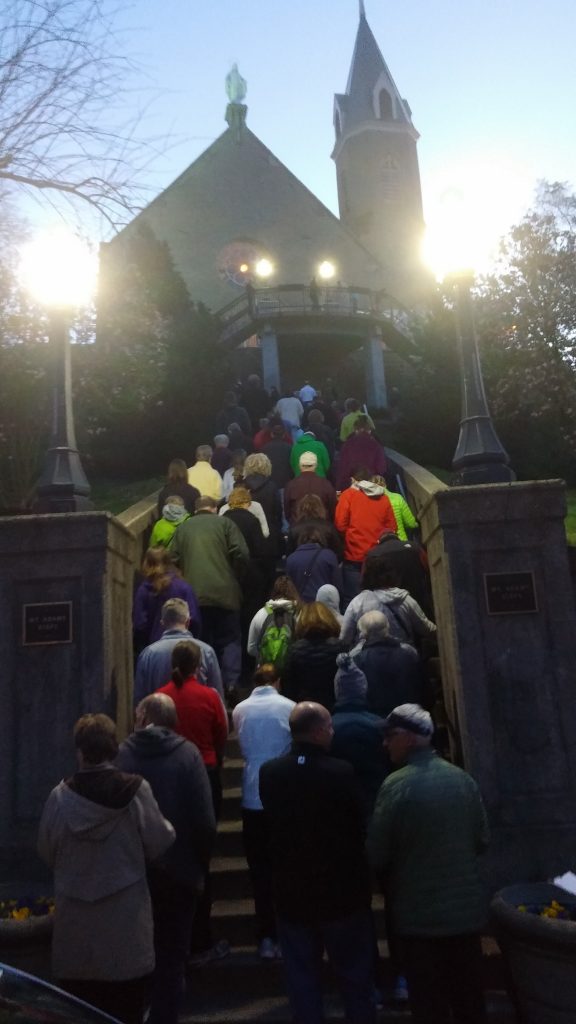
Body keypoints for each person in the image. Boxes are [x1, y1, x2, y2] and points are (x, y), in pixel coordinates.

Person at [38, 714, 175, 1024]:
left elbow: (46, 850)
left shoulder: (59, 798)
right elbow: (160, 840)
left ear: (79, 751)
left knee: (78, 1012)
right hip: (125, 926)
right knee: (126, 1011)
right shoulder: (136, 791)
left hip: (77, 929)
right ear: (113, 747)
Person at [367, 704, 490, 1024]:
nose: (385, 743)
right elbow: (482, 840)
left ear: (409, 739)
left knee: (429, 1004)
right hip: (465, 916)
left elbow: (377, 854)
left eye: (390, 736)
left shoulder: (395, 786)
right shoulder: (462, 779)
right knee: (469, 1000)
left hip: (419, 918)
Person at [259, 702, 377, 1024]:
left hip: (292, 891)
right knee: (354, 976)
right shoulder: (341, 772)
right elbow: (359, 821)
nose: (333, 731)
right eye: (328, 726)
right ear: (316, 731)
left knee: (301, 977)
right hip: (342, 892)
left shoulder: (270, 773)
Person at [116, 694, 216, 1024]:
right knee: (172, 958)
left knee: (134, 955)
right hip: (180, 872)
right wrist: (200, 867)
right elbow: (204, 820)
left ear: (142, 717)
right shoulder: (187, 755)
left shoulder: (122, 754)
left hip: (133, 872)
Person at [157, 642, 230, 969]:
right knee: (201, 855)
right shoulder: (210, 696)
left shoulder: (160, 697)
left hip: (167, 781)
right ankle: (201, 937)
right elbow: (220, 734)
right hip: (205, 772)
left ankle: (170, 938)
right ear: (198, 664)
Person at [232, 664, 295, 960]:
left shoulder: (240, 709)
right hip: (283, 790)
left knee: (259, 870)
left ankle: (265, 934)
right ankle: (289, 930)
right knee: (285, 865)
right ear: (278, 682)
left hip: (251, 790)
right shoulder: (289, 706)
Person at [170, 495, 249, 698]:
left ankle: (202, 683)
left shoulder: (183, 528)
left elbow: (172, 558)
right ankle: (230, 684)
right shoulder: (225, 523)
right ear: (214, 508)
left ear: (196, 510)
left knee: (199, 640)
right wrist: (234, 575)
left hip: (194, 596)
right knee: (230, 639)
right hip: (226, 592)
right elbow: (241, 553)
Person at [134, 597, 223, 703]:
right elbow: (218, 698)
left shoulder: (148, 654)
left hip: (160, 718)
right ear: (188, 621)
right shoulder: (207, 651)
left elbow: (139, 701)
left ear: (162, 623)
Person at [330, 653, 388, 816]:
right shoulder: (379, 724)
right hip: (376, 798)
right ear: (363, 689)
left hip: (340, 801)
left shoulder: (329, 727)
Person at [340, 555, 437, 650]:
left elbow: (344, 638)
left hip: (368, 662)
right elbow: (427, 629)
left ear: (365, 577)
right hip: (403, 659)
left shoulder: (358, 602)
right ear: (392, 575)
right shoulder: (405, 599)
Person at [334, 466, 397, 608]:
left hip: (354, 554)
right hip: (379, 554)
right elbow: (392, 528)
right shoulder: (384, 497)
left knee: (352, 599)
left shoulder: (348, 495)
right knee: (382, 599)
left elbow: (340, 524)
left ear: (354, 480)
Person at [353, 611, 426, 717]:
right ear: (387, 627)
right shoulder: (409, 653)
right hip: (408, 716)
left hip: (375, 719)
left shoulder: (357, 659)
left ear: (363, 633)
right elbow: (424, 688)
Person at [132, 548, 200, 653]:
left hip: (155, 649)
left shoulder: (144, 590)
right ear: (169, 563)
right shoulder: (184, 588)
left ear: (146, 564)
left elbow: (139, 625)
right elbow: (194, 619)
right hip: (183, 651)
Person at [281, 601, 345, 711]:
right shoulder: (340, 648)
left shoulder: (294, 650)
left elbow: (288, 687)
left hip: (305, 709)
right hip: (334, 707)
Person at [247, 575, 301, 660]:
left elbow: (251, 648)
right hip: (292, 669)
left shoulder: (261, 613)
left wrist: (267, 657)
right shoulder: (299, 613)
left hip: (267, 670)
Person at [285, 526, 342, 602]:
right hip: (324, 607)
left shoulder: (291, 559)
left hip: (301, 607)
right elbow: (338, 585)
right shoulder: (329, 556)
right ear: (320, 539)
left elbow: (289, 588)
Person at [336, 415, 387, 491]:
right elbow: (381, 468)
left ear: (355, 430)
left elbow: (343, 468)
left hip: (352, 485)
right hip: (371, 485)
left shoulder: (347, 445)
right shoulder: (375, 445)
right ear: (369, 430)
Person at [284, 452, 337, 524]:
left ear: (300, 466)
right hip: (321, 529)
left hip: (297, 529)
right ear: (315, 466)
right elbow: (332, 509)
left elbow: (287, 512)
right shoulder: (326, 484)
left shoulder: (291, 485)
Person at [286, 493, 342, 558]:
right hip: (323, 565)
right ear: (321, 508)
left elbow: (289, 555)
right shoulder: (329, 527)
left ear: (300, 508)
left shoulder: (294, 529)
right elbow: (338, 553)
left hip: (301, 565)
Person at [371, 477, 418, 542]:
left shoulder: (369, 502)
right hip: (401, 542)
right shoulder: (397, 498)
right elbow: (411, 524)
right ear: (385, 485)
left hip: (381, 546)